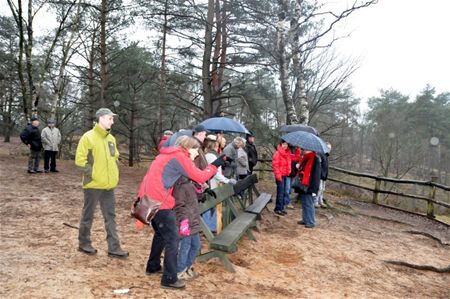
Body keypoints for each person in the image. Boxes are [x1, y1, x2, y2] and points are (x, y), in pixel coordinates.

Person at [138, 135, 228, 290]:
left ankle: (152, 266)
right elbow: (199, 176)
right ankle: (169, 278)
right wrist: (215, 165)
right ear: (188, 147)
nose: (197, 154)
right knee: (173, 239)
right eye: (196, 150)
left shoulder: (168, 154)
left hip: (151, 199)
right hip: (160, 202)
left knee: (161, 234)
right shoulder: (179, 156)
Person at [75, 108, 129, 258]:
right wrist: (93, 175)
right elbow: (80, 161)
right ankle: (84, 243)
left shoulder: (111, 139)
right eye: (110, 118)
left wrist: (113, 172)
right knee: (88, 215)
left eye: (112, 119)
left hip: (108, 186)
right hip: (93, 185)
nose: (112, 121)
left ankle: (114, 247)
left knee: (110, 216)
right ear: (101, 118)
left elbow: (115, 157)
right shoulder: (88, 137)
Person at [173, 145, 204, 281]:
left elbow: (194, 198)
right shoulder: (180, 185)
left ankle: (187, 266)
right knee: (185, 246)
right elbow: (179, 205)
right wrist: (183, 221)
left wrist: (201, 192)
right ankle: (180, 270)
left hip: (194, 221)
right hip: (187, 222)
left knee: (196, 245)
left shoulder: (189, 184)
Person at [203, 135, 237, 232]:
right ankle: (209, 227)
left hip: (213, 182)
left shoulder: (212, 154)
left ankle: (211, 226)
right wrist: (227, 180)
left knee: (211, 205)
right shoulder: (211, 156)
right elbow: (215, 173)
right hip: (211, 183)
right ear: (215, 144)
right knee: (208, 205)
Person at [295, 150, 321, 228]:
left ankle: (311, 221)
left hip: (310, 185)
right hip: (304, 184)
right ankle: (305, 219)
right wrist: (299, 166)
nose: (305, 150)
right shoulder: (306, 158)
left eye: (307, 149)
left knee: (309, 203)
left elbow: (316, 176)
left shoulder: (315, 159)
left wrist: (314, 189)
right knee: (304, 203)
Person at [272, 141, 291, 216]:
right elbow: (275, 165)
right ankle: (278, 208)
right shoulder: (277, 153)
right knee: (280, 192)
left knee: (284, 192)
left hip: (285, 175)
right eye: (283, 144)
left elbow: (289, 163)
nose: (285, 145)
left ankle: (282, 208)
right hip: (280, 175)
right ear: (280, 144)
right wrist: (278, 176)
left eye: (286, 144)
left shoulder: (287, 153)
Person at [315, 142, 331, 208]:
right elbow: (319, 166)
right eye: (328, 148)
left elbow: (326, 167)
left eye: (330, 148)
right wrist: (320, 174)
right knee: (319, 189)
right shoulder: (320, 154)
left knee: (322, 189)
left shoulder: (327, 155)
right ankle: (315, 202)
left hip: (324, 176)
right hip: (320, 175)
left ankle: (320, 201)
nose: (329, 149)